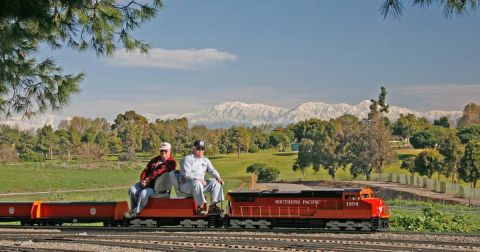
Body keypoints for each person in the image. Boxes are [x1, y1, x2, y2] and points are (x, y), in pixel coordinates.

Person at [124, 142, 176, 218]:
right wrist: (142, 180)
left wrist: (148, 179)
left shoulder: (171, 162)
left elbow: (160, 172)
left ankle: (136, 212)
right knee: (132, 190)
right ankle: (134, 210)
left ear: (170, 151)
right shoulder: (155, 160)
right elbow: (146, 170)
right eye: (162, 151)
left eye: (165, 151)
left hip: (158, 187)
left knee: (143, 193)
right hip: (147, 183)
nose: (163, 153)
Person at [179, 140, 225, 215]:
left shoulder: (205, 160)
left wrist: (218, 177)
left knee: (216, 182)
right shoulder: (188, 159)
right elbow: (186, 175)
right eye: (199, 149)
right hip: (186, 185)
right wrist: (198, 179)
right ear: (193, 148)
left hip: (200, 184)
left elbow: (212, 170)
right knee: (197, 183)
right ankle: (200, 207)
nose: (201, 151)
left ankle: (213, 206)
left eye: (202, 149)